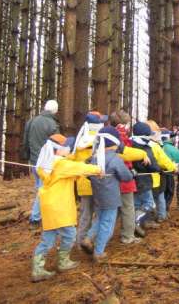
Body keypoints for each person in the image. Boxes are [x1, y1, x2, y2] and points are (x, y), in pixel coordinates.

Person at [31, 134, 102, 282]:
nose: (69, 149)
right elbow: (80, 167)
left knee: (48, 238)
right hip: (58, 207)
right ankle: (62, 262)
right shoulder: (62, 165)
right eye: (66, 147)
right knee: (69, 234)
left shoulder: (51, 162)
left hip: (50, 206)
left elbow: (70, 165)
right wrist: (98, 169)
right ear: (58, 150)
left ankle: (39, 267)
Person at [89, 126, 133, 262]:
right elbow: (126, 176)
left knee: (99, 219)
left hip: (97, 195)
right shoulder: (115, 158)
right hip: (111, 197)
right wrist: (132, 174)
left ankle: (87, 239)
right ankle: (99, 252)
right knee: (107, 224)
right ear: (115, 142)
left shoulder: (94, 157)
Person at [110, 110, 150, 244]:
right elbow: (125, 154)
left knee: (112, 209)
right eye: (126, 123)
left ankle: (94, 237)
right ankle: (127, 236)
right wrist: (142, 154)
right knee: (128, 207)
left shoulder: (109, 135)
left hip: (113, 176)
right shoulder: (121, 136)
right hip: (123, 175)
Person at [21, 100, 60, 225]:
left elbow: (25, 141)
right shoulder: (52, 124)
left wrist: (26, 155)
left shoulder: (32, 121)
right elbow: (58, 144)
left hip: (34, 161)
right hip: (46, 163)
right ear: (55, 111)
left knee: (40, 188)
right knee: (43, 189)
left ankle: (41, 214)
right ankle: (35, 218)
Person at [73, 111, 107, 247]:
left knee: (85, 216)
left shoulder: (80, 140)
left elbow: (74, 161)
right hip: (99, 182)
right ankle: (93, 241)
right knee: (99, 214)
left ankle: (79, 242)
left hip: (83, 184)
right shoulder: (101, 139)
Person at [131, 122, 161, 234]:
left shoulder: (130, 144)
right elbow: (153, 165)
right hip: (144, 181)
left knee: (137, 204)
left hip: (133, 180)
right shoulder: (145, 147)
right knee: (149, 204)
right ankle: (135, 222)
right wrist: (159, 169)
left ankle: (137, 225)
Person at [146, 120, 177, 223]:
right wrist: (173, 168)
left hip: (143, 178)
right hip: (157, 177)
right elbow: (165, 161)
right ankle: (160, 215)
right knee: (159, 196)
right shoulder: (155, 146)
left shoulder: (137, 143)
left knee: (149, 198)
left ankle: (152, 217)